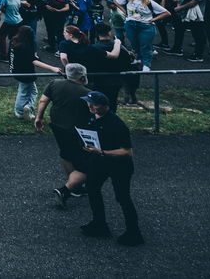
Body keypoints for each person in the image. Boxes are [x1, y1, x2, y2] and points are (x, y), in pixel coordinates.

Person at [53, 91, 143, 245]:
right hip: (101, 162)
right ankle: (99, 224)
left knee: (123, 197)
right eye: (89, 102)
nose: (90, 106)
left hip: (119, 166)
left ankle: (134, 233)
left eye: (94, 104)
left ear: (105, 106)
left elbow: (127, 152)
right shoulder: (94, 117)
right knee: (92, 188)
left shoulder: (117, 124)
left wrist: (102, 152)